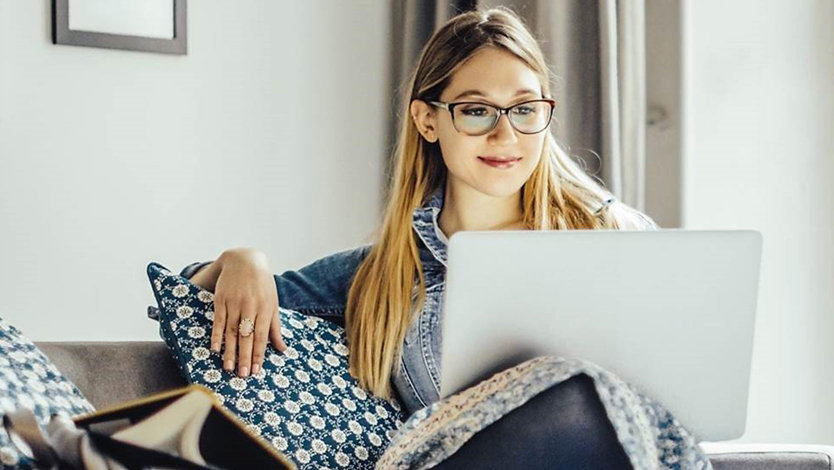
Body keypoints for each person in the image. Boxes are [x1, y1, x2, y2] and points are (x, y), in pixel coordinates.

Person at [183, 7, 709, 468]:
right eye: (477, 110)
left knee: (582, 399)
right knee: (567, 396)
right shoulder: (383, 272)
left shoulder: (614, 235)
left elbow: (672, 399)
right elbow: (195, 298)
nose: (506, 135)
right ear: (428, 120)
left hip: (603, 454)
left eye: (525, 109)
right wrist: (241, 259)